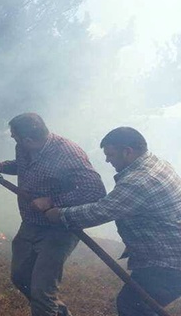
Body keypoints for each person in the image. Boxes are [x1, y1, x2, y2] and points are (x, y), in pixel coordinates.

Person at [33, 127, 181, 315]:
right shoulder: (157, 164)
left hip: (167, 263)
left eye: (110, 154)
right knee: (140, 305)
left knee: (133, 306)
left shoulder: (140, 181)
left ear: (127, 151)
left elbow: (101, 211)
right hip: (168, 255)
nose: (107, 160)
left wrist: (60, 214)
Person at [0, 113, 106, 316]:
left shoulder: (68, 153)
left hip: (59, 228)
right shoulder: (25, 147)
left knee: (43, 290)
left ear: (28, 139)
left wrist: (53, 201)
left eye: (15, 137)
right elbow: (21, 166)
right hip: (31, 223)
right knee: (20, 276)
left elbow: (94, 190)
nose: (13, 140)